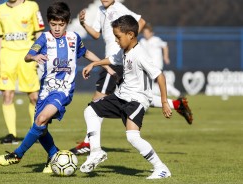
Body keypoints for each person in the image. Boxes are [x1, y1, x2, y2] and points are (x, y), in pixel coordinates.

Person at [0, 1, 111, 174]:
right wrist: (34, 58)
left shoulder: (73, 38)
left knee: (41, 119)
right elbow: (28, 56)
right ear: (49, 22)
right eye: (54, 24)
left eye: (61, 24)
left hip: (63, 90)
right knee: (40, 128)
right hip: (45, 90)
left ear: (66, 23)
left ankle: (17, 154)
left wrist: (103, 65)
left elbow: (85, 52)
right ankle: (53, 155)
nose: (57, 28)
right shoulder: (44, 38)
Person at [70, 0, 193, 155]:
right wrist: (83, 24)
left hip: (117, 60)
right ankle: (176, 103)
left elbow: (140, 22)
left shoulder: (118, 8)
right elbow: (96, 34)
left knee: (97, 100)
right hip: (115, 58)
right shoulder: (101, 10)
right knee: (134, 94)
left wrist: (128, 43)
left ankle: (89, 142)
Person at [80, 15, 172, 179]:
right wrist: (94, 63)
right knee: (90, 111)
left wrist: (164, 102)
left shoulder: (140, 54)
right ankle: (96, 151)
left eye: (118, 36)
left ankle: (161, 168)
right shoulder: (124, 50)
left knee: (132, 136)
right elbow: (112, 59)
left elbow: (160, 76)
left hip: (136, 101)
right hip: (120, 97)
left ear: (130, 35)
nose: (116, 40)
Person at [0, 0, 45, 144]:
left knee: (34, 96)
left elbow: (39, 32)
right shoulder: (0, 9)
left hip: (27, 56)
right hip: (7, 56)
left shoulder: (32, 6)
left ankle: (36, 131)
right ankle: (11, 134)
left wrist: (38, 54)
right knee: (7, 95)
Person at [139, 24, 181, 97]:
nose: (145, 34)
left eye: (147, 33)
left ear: (151, 33)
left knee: (157, 82)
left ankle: (177, 93)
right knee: (155, 83)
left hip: (156, 65)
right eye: (144, 33)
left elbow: (165, 46)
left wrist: (166, 57)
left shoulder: (156, 40)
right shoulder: (142, 41)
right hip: (147, 65)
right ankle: (176, 93)